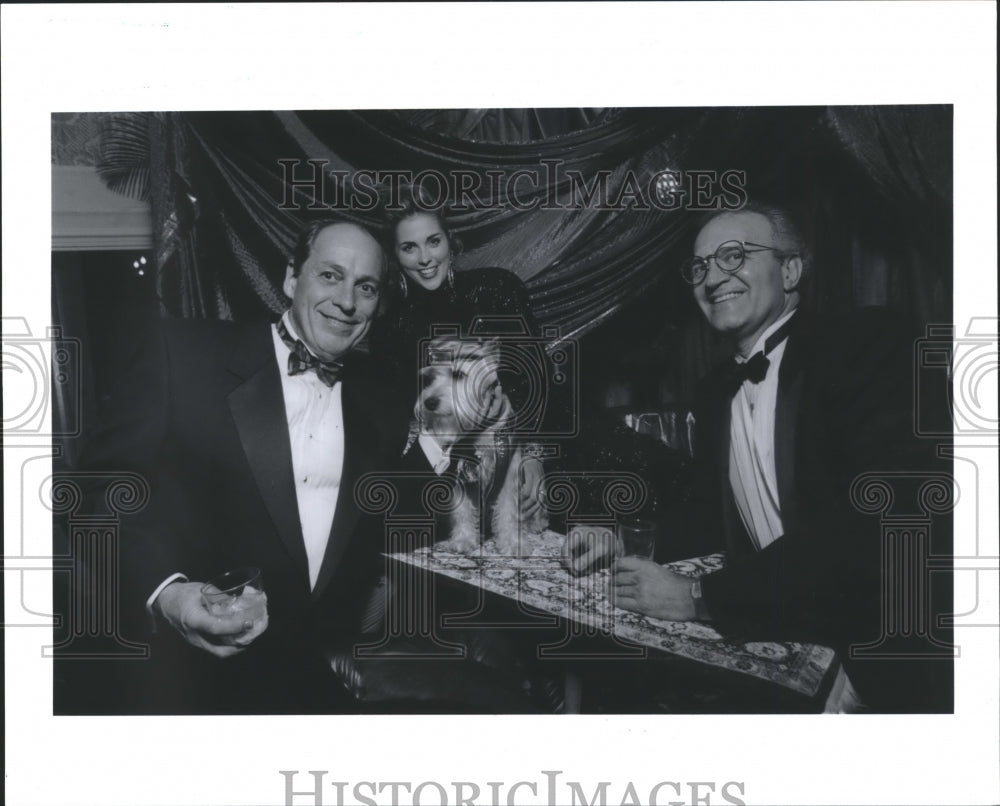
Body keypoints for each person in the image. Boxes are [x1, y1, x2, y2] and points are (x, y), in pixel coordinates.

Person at [566, 203, 952, 712]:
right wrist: (617, 540)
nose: (712, 277)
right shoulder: (712, 391)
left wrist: (698, 597)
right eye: (700, 266)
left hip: (885, 651)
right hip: (781, 636)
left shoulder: (866, 344)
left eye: (734, 256)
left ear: (790, 270)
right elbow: (711, 515)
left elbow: (883, 525)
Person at [79, 221, 440, 713]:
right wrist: (168, 594)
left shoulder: (380, 397)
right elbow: (100, 491)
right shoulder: (183, 355)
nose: (347, 301)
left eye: (366, 286)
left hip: (308, 679)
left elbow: (391, 517)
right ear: (293, 278)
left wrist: (449, 437)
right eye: (330, 275)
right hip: (182, 683)